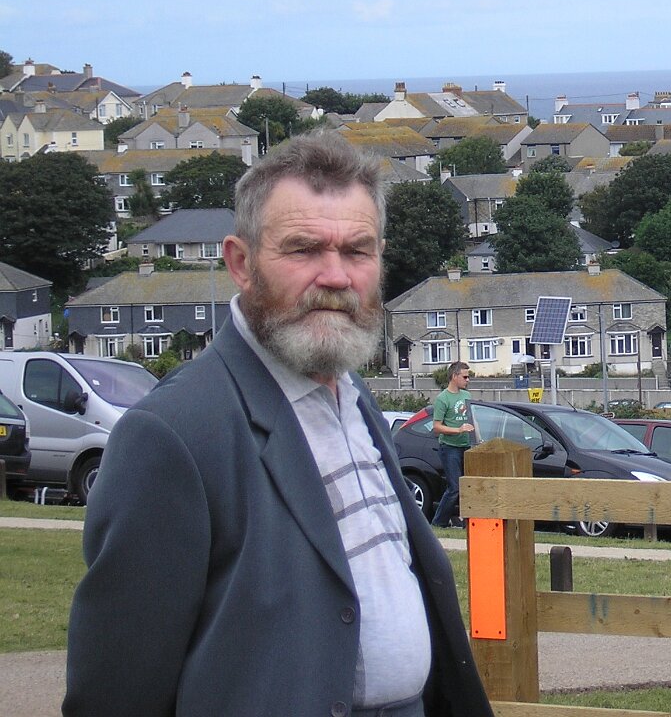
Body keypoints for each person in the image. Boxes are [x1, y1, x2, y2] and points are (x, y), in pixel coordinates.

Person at [64, 133, 492, 717]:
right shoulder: (171, 435)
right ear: (241, 263)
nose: (336, 276)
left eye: (357, 251)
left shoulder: (352, 395)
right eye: (303, 250)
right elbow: (117, 691)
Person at [430, 361, 475, 528]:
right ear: (454, 376)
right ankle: (438, 522)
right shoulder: (443, 399)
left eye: (468, 377)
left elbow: (473, 419)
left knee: (469, 486)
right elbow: (437, 427)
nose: (467, 380)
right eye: (465, 377)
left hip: (467, 446)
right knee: (454, 487)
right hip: (450, 448)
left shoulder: (467, 396)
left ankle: (468, 523)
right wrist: (458, 430)